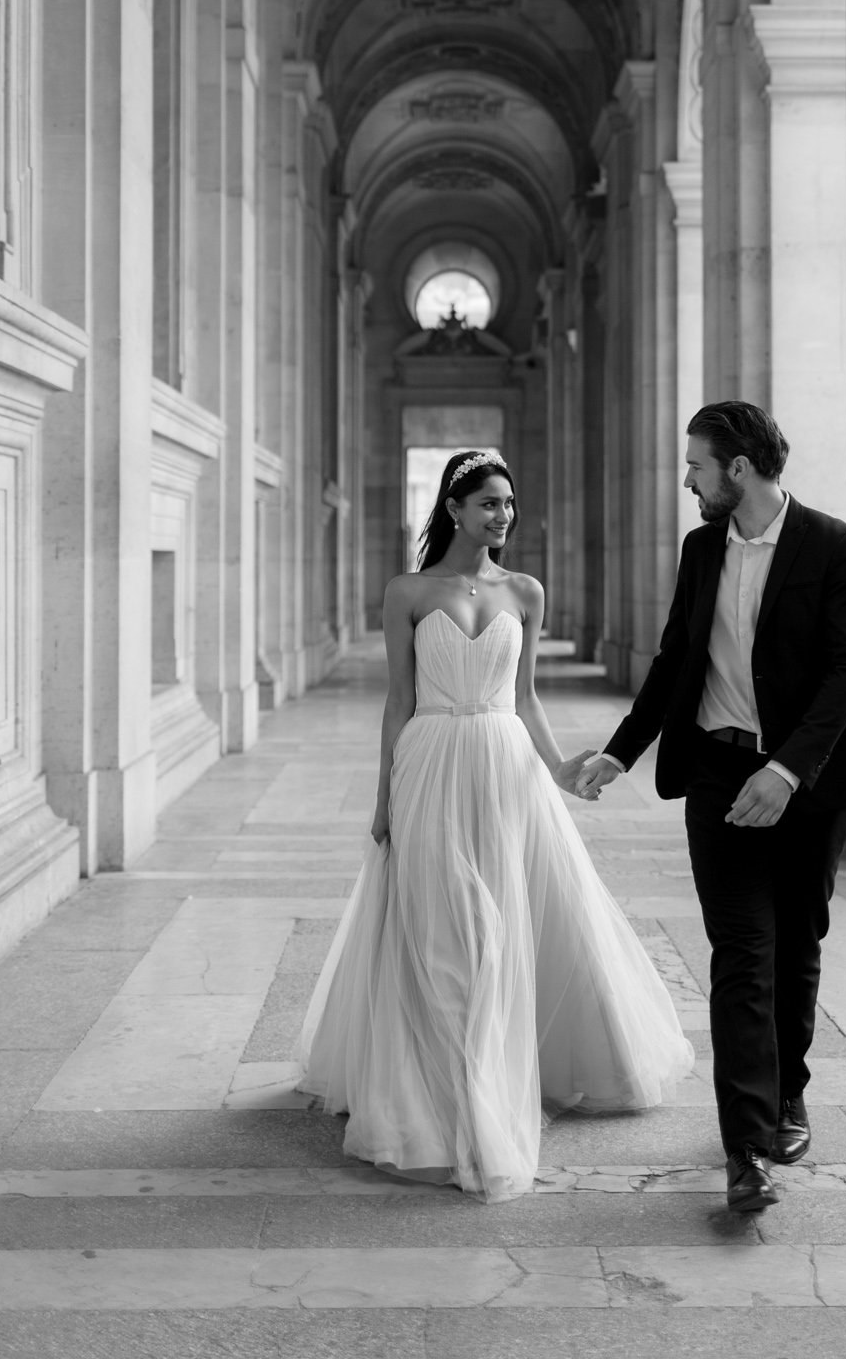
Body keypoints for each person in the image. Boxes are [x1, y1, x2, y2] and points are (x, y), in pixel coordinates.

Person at [293, 448, 693, 1202]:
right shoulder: (407, 591)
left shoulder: (525, 591)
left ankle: (492, 1074)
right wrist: (382, 798)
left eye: (507, 504)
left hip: (506, 767)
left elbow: (528, 696)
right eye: (486, 503)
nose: (501, 515)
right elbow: (397, 700)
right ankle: (446, 1090)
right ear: (453, 508)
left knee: (508, 924)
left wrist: (558, 770)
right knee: (447, 928)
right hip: (432, 762)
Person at [575, 402, 846, 1214]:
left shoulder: (831, 544)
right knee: (741, 950)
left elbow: (845, 671)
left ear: (737, 469)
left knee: (794, 941)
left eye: (696, 466)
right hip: (715, 772)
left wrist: (785, 771)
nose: (687, 480)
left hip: (805, 783)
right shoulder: (701, 548)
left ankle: (786, 1096)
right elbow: (677, 657)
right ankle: (746, 1146)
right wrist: (619, 749)